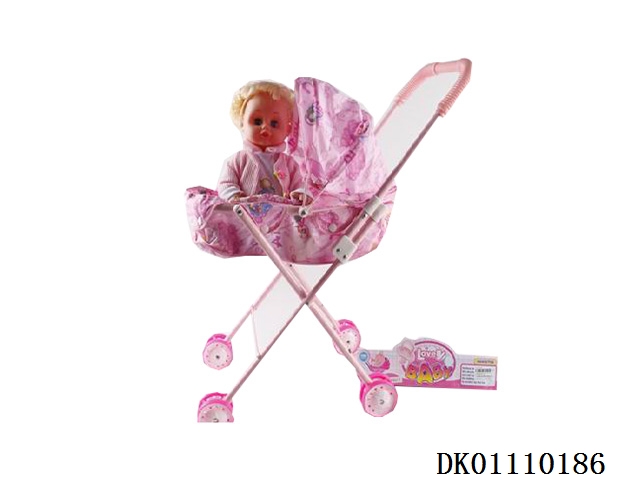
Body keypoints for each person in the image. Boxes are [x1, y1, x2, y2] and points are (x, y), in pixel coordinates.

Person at [217, 80, 309, 203]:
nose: (265, 127)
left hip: (282, 213)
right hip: (244, 213)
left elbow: (300, 184)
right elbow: (225, 184)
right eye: (257, 121)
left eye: (274, 123)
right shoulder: (236, 161)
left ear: (288, 129)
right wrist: (233, 195)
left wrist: (301, 193)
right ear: (242, 122)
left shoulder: (290, 164)